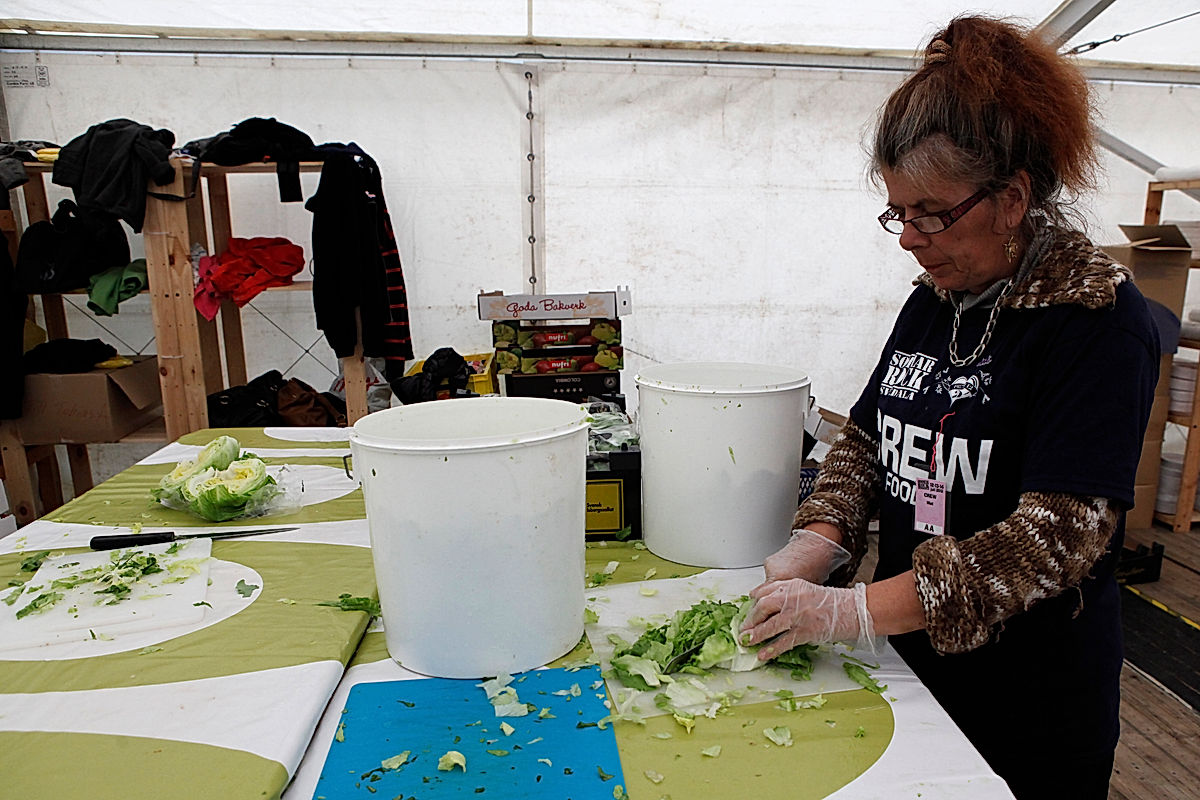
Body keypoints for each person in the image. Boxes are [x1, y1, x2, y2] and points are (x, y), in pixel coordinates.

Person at [740, 15, 1159, 800]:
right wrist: (819, 539)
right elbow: (869, 436)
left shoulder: (1095, 324)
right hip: (909, 669)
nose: (910, 237)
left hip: (1027, 708)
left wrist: (854, 609)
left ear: (1011, 199)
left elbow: (1053, 544)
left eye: (931, 212)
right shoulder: (939, 297)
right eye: (899, 211)